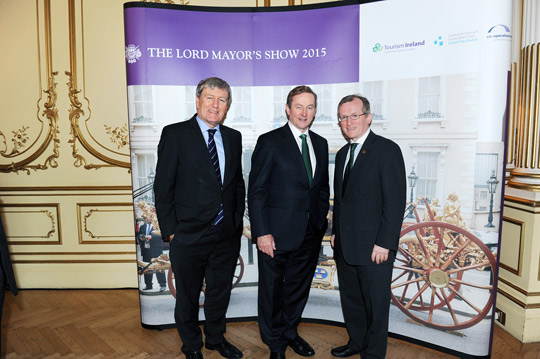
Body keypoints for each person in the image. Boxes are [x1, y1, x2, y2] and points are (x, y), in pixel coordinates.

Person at [154, 77, 245, 359]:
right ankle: (191, 345)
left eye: (222, 100)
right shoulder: (175, 134)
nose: (215, 105)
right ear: (197, 100)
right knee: (189, 297)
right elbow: (163, 187)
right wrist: (171, 231)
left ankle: (215, 339)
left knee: (219, 293)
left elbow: (236, 185)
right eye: (210, 98)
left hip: (225, 234)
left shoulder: (233, 137)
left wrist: (235, 221)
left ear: (228, 106)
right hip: (188, 235)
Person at [248, 85, 330, 359]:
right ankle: (275, 345)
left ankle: (290, 332)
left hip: (309, 234)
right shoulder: (270, 141)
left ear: (315, 111)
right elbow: (256, 191)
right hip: (275, 235)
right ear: (287, 109)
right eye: (299, 106)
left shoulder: (320, 143)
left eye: (310, 107)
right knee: (272, 292)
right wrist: (262, 233)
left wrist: (319, 224)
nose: (304, 113)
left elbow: (321, 190)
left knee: (297, 289)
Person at [330, 95, 406, 359]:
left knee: (375, 306)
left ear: (369, 117)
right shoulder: (342, 155)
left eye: (354, 115)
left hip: (375, 247)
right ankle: (356, 342)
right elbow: (342, 199)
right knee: (352, 302)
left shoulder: (387, 150)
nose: (348, 122)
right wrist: (335, 232)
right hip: (345, 245)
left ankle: (373, 354)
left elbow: (395, 202)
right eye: (343, 117)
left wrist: (385, 242)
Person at [138, 216, 167, 291]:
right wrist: (140, 238)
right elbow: (138, 235)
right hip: (146, 251)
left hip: (156, 250)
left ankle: (162, 285)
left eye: (149, 218)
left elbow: (161, 236)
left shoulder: (157, 226)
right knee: (147, 267)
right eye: (146, 218)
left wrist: (151, 237)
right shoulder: (142, 227)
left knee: (159, 267)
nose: (147, 219)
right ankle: (148, 285)